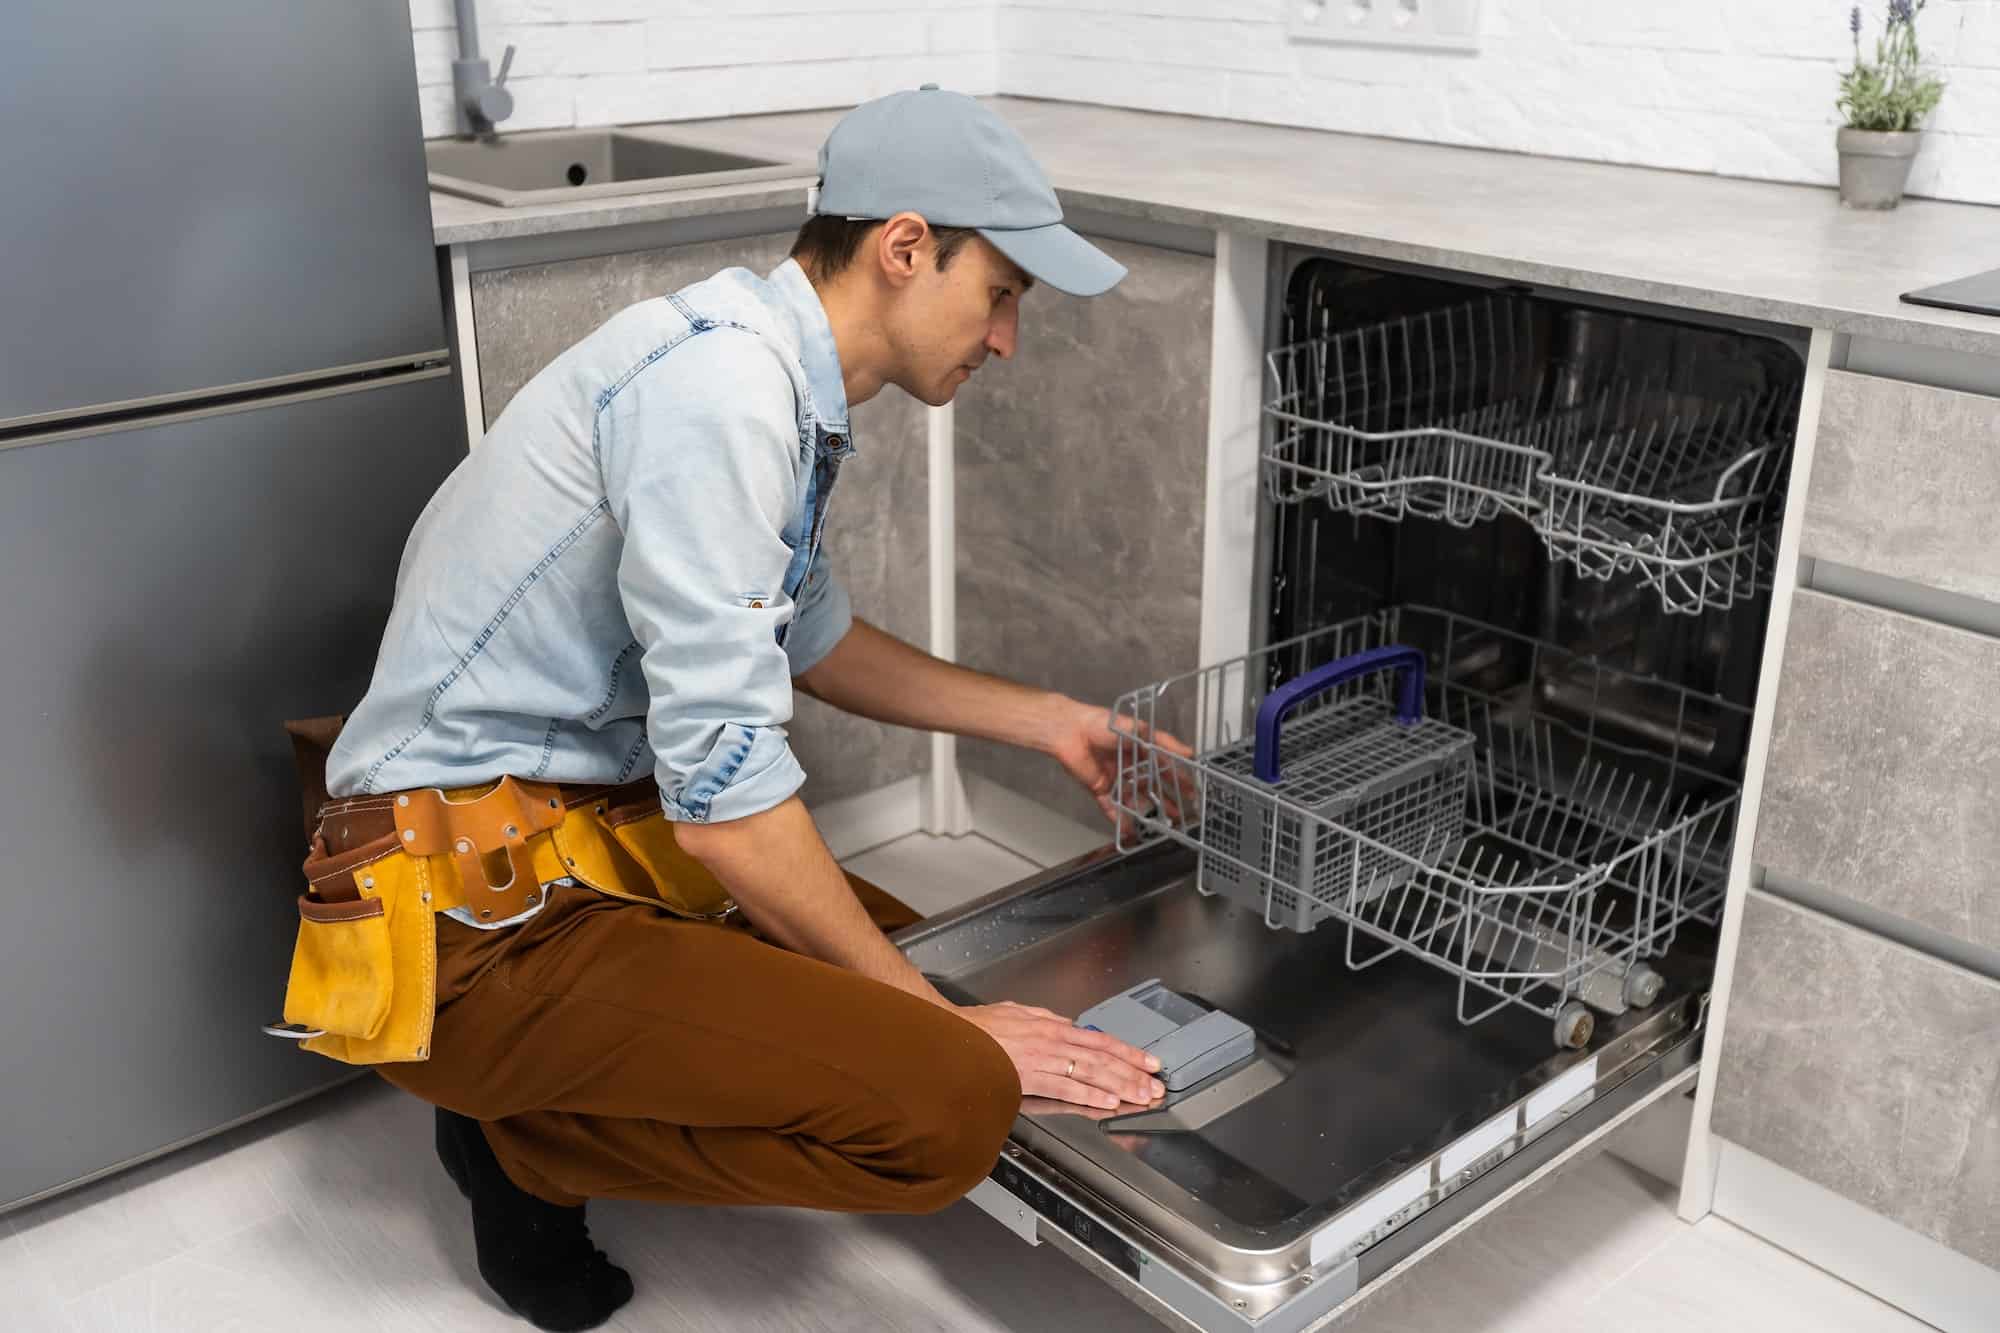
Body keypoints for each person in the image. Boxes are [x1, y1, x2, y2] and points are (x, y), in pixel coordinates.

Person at [293, 86, 1184, 1331]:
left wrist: (1048, 721)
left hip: (576, 848)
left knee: (934, 965)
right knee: (945, 1099)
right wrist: (935, 1030)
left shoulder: (762, 374)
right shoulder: (723, 399)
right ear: (905, 247)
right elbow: (725, 812)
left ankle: (550, 1092)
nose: (1006, 341)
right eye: (1003, 295)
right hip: (467, 930)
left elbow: (814, 645)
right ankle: (518, 1145)